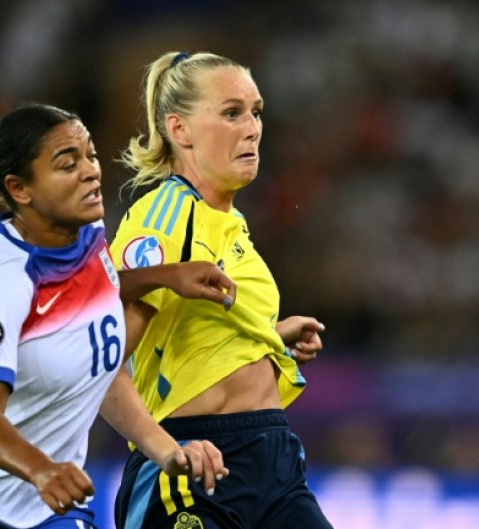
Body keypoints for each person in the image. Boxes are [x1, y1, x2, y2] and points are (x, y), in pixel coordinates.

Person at [0, 103, 232, 529]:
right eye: (67, 164)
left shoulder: (85, 237)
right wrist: (41, 469)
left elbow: (97, 348)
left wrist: (163, 278)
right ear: (20, 189)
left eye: (90, 156)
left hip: (42, 508)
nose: (91, 171)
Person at [110, 51, 332, 529]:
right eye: (231, 113)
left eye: (256, 112)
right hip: (196, 459)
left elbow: (190, 340)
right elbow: (101, 368)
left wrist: (267, 336)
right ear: (179, 129)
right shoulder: (164, 218)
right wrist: (169, 452)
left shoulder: (233, 224)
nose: (252, 127)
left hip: (273, 460)